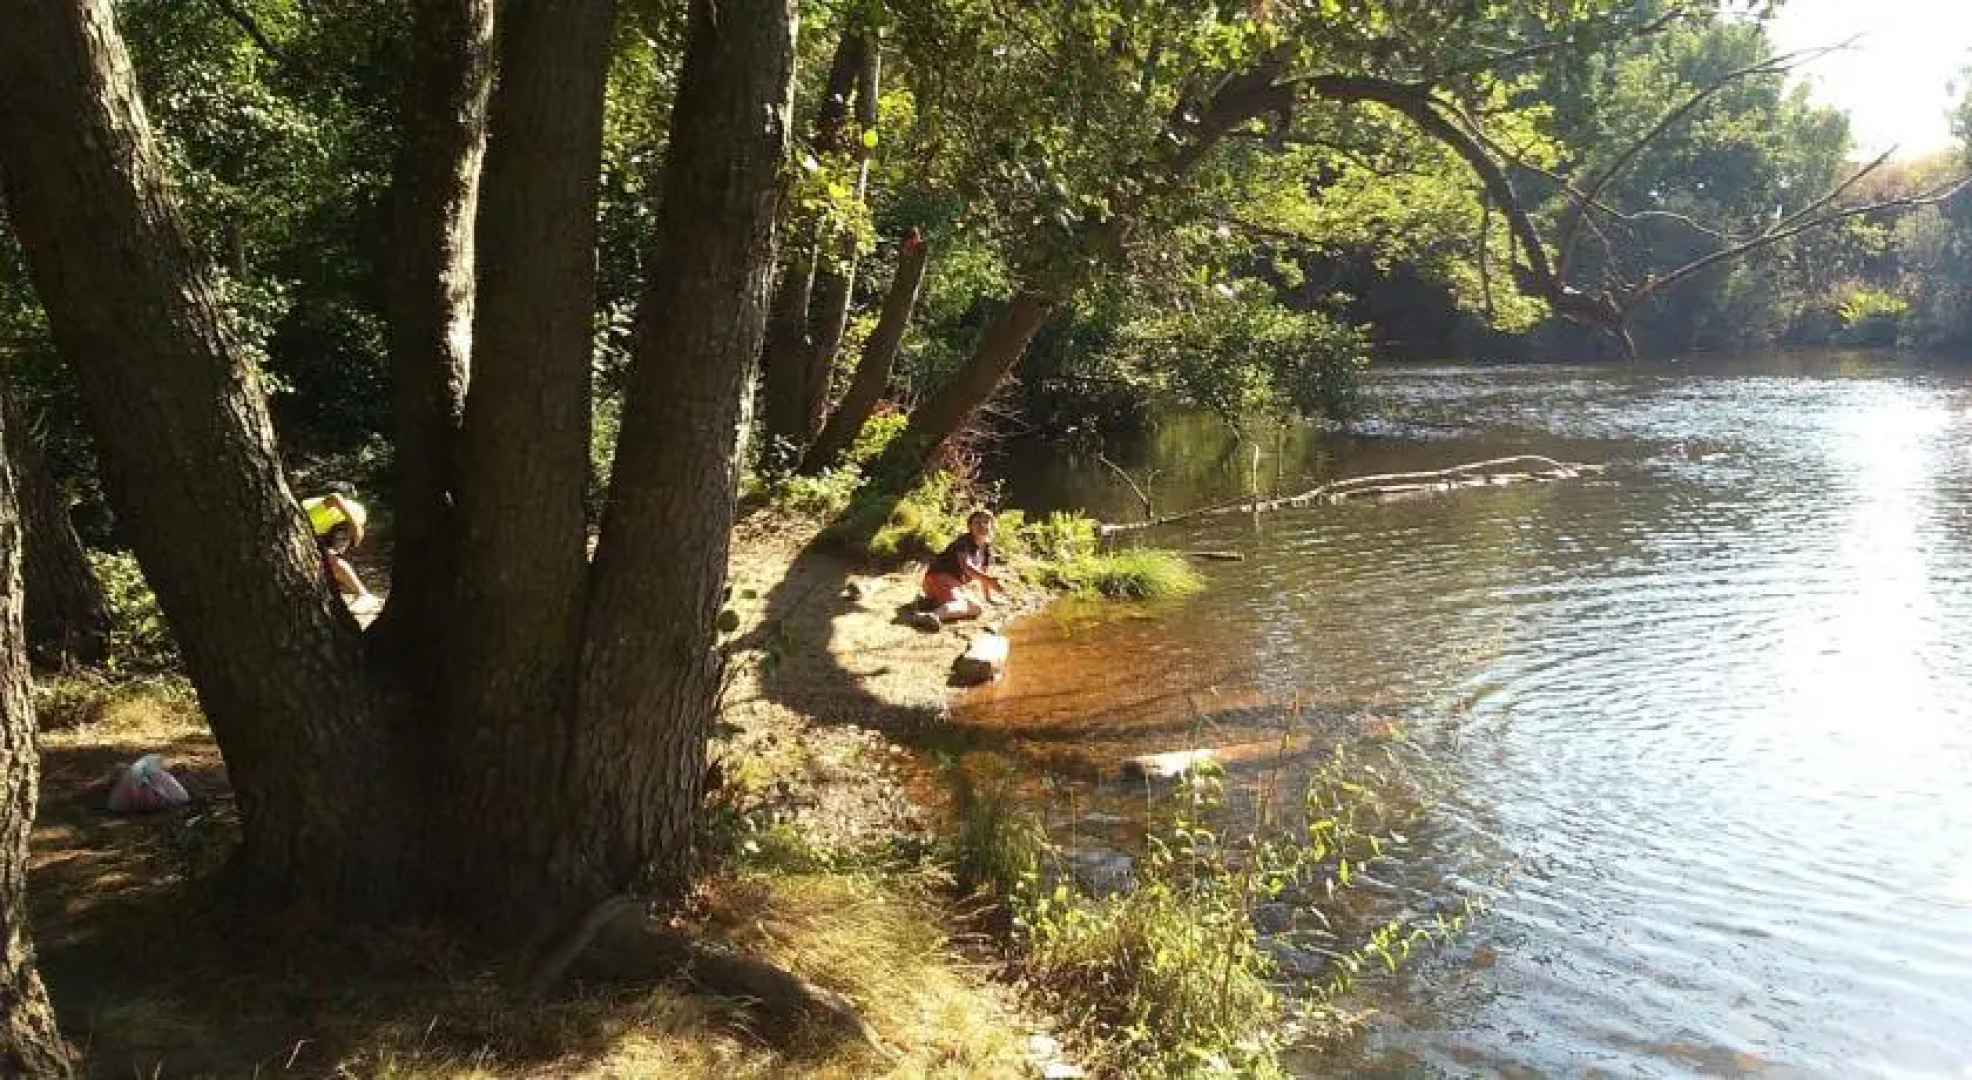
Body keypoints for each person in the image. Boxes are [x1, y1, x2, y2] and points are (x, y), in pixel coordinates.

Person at [916, 509, 1008, 629]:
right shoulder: (963, 542)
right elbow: (966, 566)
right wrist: (990, 580)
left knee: (977, 608)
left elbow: (983, 574)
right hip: (937, 578)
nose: (982, 525)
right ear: (969, 526)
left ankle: (931, 602)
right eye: (977, 522)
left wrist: (988, 597)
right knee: (960, 604)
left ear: (991, 526)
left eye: (986, 522)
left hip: (953, 584)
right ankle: (931, 616)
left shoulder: (985, 548)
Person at [302, 482, 374, 603]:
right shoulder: (307, 507)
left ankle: (363, 595)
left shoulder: (349, 508)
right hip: (319, 530)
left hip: (335, 527)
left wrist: (355, 525)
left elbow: (335, 497)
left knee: (330, 560)